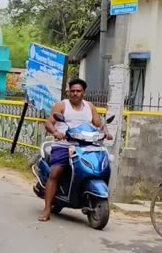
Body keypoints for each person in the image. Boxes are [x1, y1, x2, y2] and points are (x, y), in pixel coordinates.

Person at [38, 78, 112, 222]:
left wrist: (106, 131)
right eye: (73, 91)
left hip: (85, 146)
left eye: (78, 91)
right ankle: (47, 209)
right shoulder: (62, 106)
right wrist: (55, 132)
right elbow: (49, 122)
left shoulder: (89, 107)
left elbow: (98, 124)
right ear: (69, 92)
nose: (75, 94)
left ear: (84, 93)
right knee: (56, 172)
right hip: (63, 145)